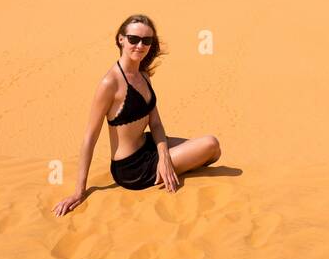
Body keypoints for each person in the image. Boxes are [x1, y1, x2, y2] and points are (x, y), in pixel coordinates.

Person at [53, 14, 220, 216]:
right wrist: (78, 192)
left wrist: (164, 156)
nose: (140, 45)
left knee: (214, 153)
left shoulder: (144, 75)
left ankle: (170, 168)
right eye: (134, 39)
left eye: (146, 41)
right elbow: (90, 136)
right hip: (132, 168)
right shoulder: (110, 84)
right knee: (210, 143)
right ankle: (169, 170)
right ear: (121, 39)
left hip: (150, 145)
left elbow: (156, 123)